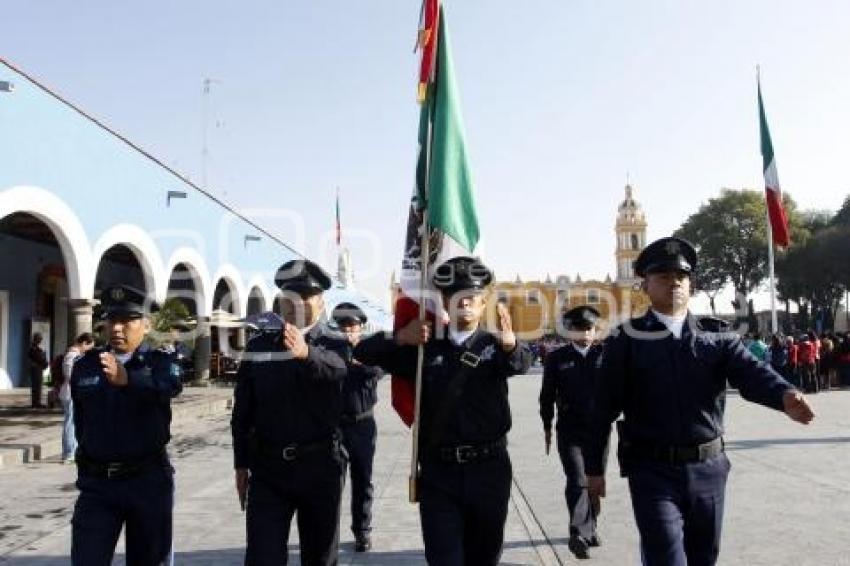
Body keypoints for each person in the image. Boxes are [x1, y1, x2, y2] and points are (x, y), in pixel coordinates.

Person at [585, 236, 814, 566]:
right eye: (663, 276)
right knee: (665, 556)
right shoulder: (625, 340)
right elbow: (602, 409)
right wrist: (594, 469)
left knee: (705, 557)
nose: (674, 283)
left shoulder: (716, 335)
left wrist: (784, 394)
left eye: (681, 277)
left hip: (709, 469)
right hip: (653, 471)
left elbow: (751, 372)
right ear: (645, 285)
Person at [354, 256, 533, 566]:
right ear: (444, 302)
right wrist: (401, 337)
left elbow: (521, 362)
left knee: (484, 558)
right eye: (455, 295)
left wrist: (511, 346)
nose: (463, 302)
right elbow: (363, 352)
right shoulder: (424, 348)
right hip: (440, 474)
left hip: (488, 471)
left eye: (471, 296)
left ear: (482, 303)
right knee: (443, 558)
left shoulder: (494, 346)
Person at [231, 259, 348, 565]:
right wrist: (240, 463)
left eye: (304, 297)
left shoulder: (335, 341)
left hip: (319, 466)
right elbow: (243, 409)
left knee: (320, 557)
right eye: (289, 297)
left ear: (320, 303)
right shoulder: (259, 345)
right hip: (269, 469)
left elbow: (338, 369)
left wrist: (306, 353)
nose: (295, 303)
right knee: (262, 555)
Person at [70, 285, 182, 565]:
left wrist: (129, 380)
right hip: (98, 486)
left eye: (127, 320)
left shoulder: (160, 362)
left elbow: (170, 387)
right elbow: (82, 421)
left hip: (146, 482)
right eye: (112, 320)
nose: (118, 328)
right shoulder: (86, 365)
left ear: (146, 324)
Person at [539, 305, 604, 559]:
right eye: (579, 329)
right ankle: (578, 532)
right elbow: (547, 395)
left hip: (599, 432)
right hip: (570, 429)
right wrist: (546, 424)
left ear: (595, 330)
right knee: (577, 479)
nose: (584, 333)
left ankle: (590, 527)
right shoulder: (557, 358)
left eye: (588, 328)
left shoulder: (605, 355)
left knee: (594, 483)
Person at [331, 302, 384, 553]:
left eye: (352, 327)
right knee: (332, 483)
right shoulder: (330, 351)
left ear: (361, 328)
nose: (348, 331)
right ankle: (328, 533)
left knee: (363, 480)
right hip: (336, 427)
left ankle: (362, 531)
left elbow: (377, 371)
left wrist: (358, 357)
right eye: (344, 327)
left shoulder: (371, 349)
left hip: (363, 424)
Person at [58, 333, 95, 463]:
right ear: (83, 343)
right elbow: (70, 375)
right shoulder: (72, 356)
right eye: (89, 347)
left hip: (73, 392)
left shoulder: (76, 356)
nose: (89, 350)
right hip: (70, 392)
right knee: (70, 422)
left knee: (74, 421)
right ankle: (68, 453)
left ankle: (74, 450)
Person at [28, 333, 49, 408]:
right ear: (36, 339)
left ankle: (37, 402)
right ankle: (36, 403)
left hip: (38, 368)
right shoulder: (34, 348)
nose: (41, 341)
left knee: (38, 386)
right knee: (36, 386)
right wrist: (45, 363)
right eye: (39, 339)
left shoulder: (37, 348)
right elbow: (39, 358)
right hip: (36, 369)